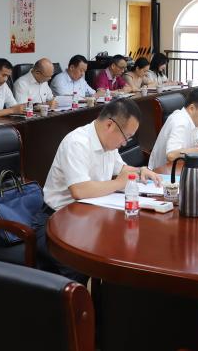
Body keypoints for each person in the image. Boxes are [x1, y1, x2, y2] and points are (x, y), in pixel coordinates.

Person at [33, 99, 160, 279]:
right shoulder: (77, 143)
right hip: (57, 221)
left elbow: (121, 169)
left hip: (89, 217)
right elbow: (80, 190)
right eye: (126, 137)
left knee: (125, 248)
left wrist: (140, 171)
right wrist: (119, 183)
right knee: (82, 265)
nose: (124, 143)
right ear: (109, 125)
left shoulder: (107, 143)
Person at [148, 88, 198, 169]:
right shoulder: (180, 122)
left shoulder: (191, 120)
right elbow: (171, 155)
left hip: (179, 167)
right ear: (192, 109)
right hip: (160, 172)